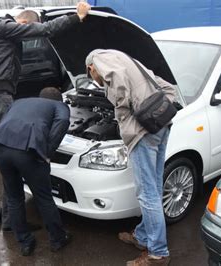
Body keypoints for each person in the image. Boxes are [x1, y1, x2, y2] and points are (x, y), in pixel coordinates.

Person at [0, 2, 91, 229]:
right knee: (11, 156)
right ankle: (11, 222)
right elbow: (46, 30)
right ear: (25, 22)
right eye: (28, 30)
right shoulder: (3, 26)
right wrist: (77, 17)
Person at [85, 49, 175, 266]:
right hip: (161, 124)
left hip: (142, 132)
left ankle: (158, 254)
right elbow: (167, 88)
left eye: (94, 79)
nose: (98, 83)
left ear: (91, 69)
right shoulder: (132, 61)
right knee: (153, 185)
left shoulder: (100, 59)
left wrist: (123, 111)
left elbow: (119, 84)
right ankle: (143, 236)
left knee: (147, 194)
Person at [0, 87, 71, 256]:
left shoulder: (20, 102)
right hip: (27, 151)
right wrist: (47, 152)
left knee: (14, 197)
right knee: (44, 197)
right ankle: (57, 239)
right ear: (58, 100)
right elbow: (62, 122)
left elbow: (7, 121)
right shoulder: (58, 106)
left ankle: (24, 242)